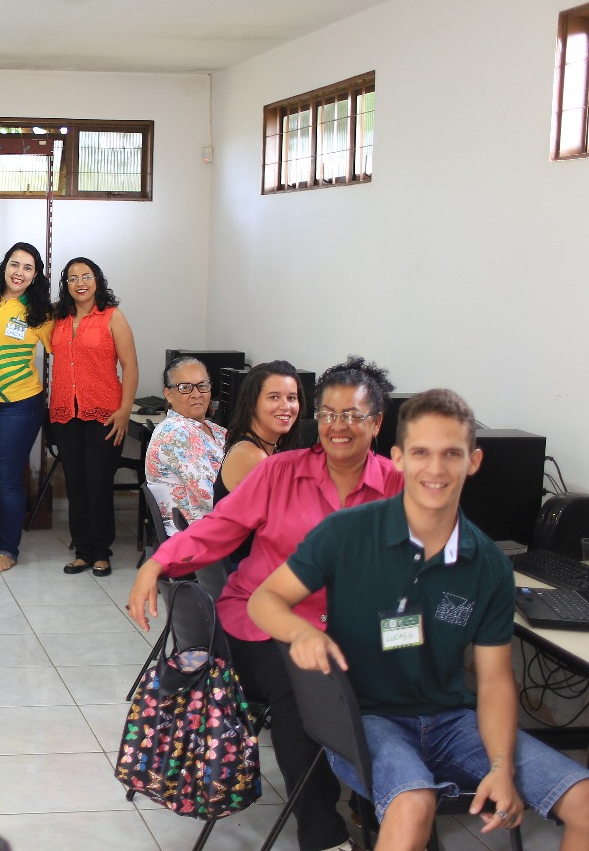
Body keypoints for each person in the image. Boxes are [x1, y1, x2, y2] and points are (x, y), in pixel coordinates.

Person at [249, 389, 589, 850]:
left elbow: (493, 681)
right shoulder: (347, 532)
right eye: (421, 453)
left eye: (451, 454)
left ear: (473, 461)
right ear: (398, 459)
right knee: (414, 805)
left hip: (451, 721)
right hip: (367, 717)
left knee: (585, 803)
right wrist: (302, 631)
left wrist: (502, 767)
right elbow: (265, 599)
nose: (435, 469)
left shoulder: (488, 564)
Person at [127, 355, 403, 851]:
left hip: (348, 631)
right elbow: (218, 527)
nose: (338, 426)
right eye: (328, 414)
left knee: (400, 679)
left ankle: (392, 811)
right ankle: (324, 833)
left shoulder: (397, 486)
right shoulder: (278, 471)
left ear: (377, 422)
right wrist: (157, 563)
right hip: (258, 622)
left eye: (353, 415)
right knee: (303, 687)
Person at [48, 257, 139, 578]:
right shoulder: (57, 319)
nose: (80, 282)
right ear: (66, 285)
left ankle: (102, 552)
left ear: (97, 280)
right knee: (75, 484)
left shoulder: (112, 317)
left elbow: (130, 365)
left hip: (105, 414)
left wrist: (125, 409)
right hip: (64, 414)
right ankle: (82, 551)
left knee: (98, 483)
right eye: (72, 278)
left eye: (86, 276)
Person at [0, 242, 53, 572]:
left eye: (27, 268)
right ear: (4, 266)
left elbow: (68, 355)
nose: (19, 272)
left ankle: (8, 549)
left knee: (7, 479)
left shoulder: (41, 314)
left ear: (35, 276)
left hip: (19, 405)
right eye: (14, 264)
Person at [212, 360, 304, 563]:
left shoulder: (263, 447)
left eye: (291, 398)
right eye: (274, 397)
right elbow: (290, 524)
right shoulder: (253, 456)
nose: (285, 406)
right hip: (245, 571)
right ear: (252, 403)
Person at [144, 356, 226, 536]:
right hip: (197, 539)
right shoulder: (176, 433)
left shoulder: (215, 430)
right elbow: (212, 498)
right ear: (168, 394)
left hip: (221, 529)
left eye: (202, 385)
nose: (197, 394)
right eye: (185, 387)